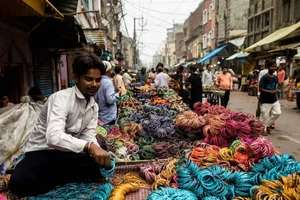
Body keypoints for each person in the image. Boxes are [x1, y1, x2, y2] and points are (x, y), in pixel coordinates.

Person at [8, 53, 111, 197]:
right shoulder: (60, 98)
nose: (94, 84)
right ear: (76, 78)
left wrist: (99, 154)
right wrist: (89, 146)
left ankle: (60, 177)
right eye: (89, 79)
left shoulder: (93, 106)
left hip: (66, 152)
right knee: (18, 183)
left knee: (95, 166)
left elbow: (89, 136)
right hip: (42, 151)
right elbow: (53, 138)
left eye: (98, 80)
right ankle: (64, 177)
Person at [259, 60, 281, 135]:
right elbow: (260, 88)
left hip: (274, 99)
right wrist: (271, 92)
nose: (274, 68)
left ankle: (267, 125)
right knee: (264, 116)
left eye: (275, 66)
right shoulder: (264, 78)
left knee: (278, 113)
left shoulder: (275, 77)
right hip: (265, 100)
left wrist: (277, 93)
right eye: (272, 66)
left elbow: (276, 86)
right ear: (268, 67)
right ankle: (263, 129)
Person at [94, 61, 121, 125]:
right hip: (108, 117)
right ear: (109, 71)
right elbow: (110, 100)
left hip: (99, 116)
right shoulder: (108, 82)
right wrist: (118, 94)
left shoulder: (97, 81)